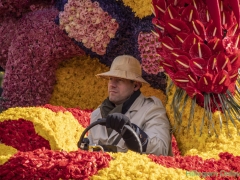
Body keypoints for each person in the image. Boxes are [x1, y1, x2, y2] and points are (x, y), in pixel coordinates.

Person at [86, 55, 172, 156]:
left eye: (119, 80)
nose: (112, 84)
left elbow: (161, 149)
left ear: (135, 86)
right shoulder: (97, 114)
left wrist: (133, 133)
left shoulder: (151, 109)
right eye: (110, 78)